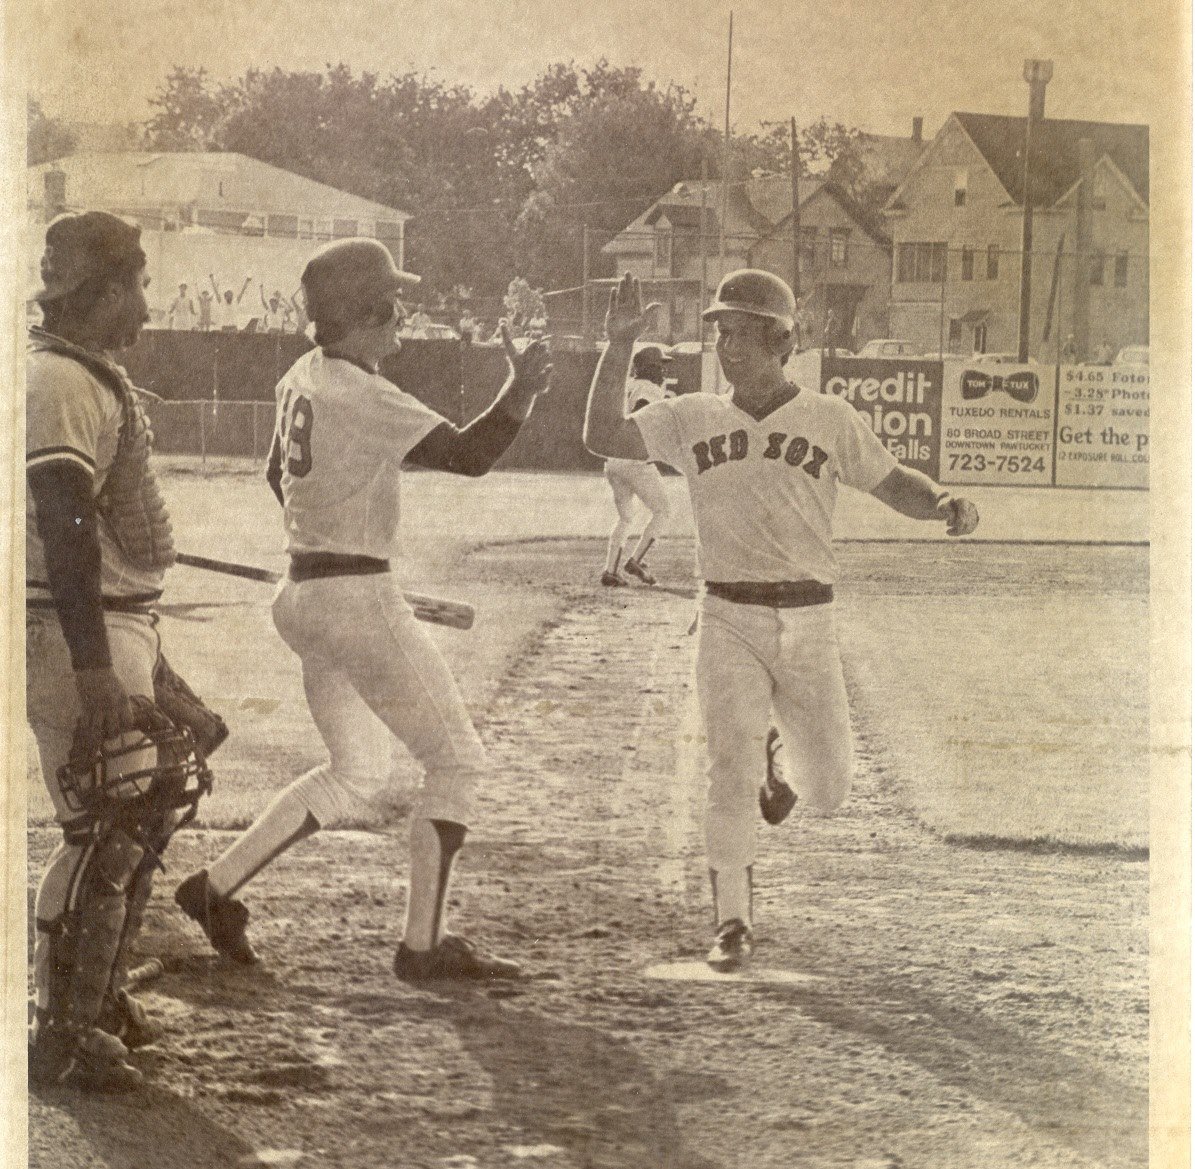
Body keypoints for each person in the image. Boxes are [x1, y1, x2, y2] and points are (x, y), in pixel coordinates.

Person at [174, 239, 553, 982]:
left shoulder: (301, 376)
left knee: (357, 772)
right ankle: (422, 946)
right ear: (367, 311)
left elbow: (272, 475)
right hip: (350, 597)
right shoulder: (365, 391)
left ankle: (212, 888)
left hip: (305, 594)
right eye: (391, 302)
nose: (401, 314)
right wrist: (523, 388)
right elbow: (472, 456)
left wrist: (330, 546)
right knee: (456, 761)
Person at [584, 270, 979, 972]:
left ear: (779, 338)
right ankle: (731, 919)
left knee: (827, 790)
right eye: (719, 329)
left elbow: (892, 483)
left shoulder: (828, 417)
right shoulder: (691, 414)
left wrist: (943, 499)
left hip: (808, 619)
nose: (723, 341)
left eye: (738, 329)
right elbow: (598, 434)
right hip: (727, 612)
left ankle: (783, 768)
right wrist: (617, 347)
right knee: (725, 769)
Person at [25, 212, 224, 1091]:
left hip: (117, 619)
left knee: (154, 790)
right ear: (105, 289)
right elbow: (64, 527)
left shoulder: (84, 374)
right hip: (77, 629)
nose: (146, 304)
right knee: (104, 821)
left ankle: (95, 1001)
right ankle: (60, 1026)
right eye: (138, 284)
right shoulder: (61, 379)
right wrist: (95, 664)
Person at [599, 344, 674, 587]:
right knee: (663, 511)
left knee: (625, 517)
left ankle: (610, 571)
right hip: (634, 461)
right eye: (660, 365)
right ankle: (635, 561)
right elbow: (641, 413)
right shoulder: (648, 388)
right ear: (649, 368)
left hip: (613, 461)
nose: (663, 370)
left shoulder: (627, 386)